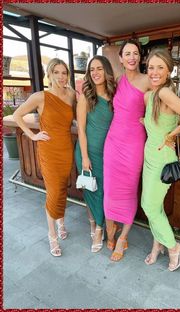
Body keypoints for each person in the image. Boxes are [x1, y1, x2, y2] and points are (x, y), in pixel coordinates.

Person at [141, 48, 180, 271]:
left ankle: (173, 246)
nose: (154, 72)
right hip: (150, 156)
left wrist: (170, 136)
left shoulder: (165, 93)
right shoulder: (151, 96)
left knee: (149, 206)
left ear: (168, 71)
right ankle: (158, 246)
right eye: (151, 67)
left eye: (160, 68)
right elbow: (174, 117)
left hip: (161, 159)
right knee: (154, 207)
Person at [13, 58, 76, 257]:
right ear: (49, 75)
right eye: (56, 72)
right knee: (53, 191)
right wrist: (32, 135)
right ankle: (52, 236)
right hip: (48, 150)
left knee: (62, 187)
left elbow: (77, 117)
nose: (61, 76)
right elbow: (17, 115)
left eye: (64, 72)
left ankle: (61, 223)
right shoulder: (40, 96)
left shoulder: (72, 94)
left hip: (66, 148)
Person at [103, 39, 151, 261]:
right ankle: (111, 229)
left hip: (133, 144)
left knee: (129, 190)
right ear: (120, 58)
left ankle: (123, 237)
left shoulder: (148, 80)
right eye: (127, 53)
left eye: (135, 53)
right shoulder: (118, 81)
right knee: (111, 189)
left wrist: (147, 119)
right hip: (113, 142)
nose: (132, 57)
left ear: (139, 57)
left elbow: (165, 106)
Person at [75, 55, 116, 253]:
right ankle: (98, 228)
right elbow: (81, 130)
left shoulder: (114, 96)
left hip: (108, 153)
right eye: (92, 69)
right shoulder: (85, 97)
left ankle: (96, 224)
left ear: (107, 71)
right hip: (87, 152)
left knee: (104, 192)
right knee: (92, 191)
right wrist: (84, 157)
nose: (95, 73)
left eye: (99, 68)